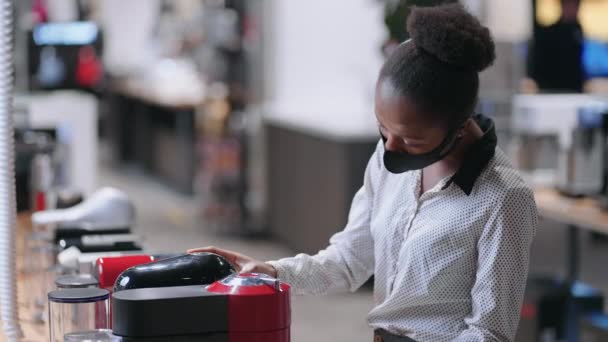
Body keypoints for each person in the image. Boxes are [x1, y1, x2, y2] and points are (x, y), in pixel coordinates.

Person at [189, 4, 538, 342]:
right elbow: (348, 260)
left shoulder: (503, 198)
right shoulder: (391, 159)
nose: (390, 149)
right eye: (383, 129)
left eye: (411, 139)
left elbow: (488, 333)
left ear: (460, 126)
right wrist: (274, 272)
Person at [525, 0, 584, 92]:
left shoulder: (577, 28)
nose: (574, 10)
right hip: (551, 88)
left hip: (573, 89)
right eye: (571, 6)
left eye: (576, 6)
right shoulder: (550, 34)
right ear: (563, 6)